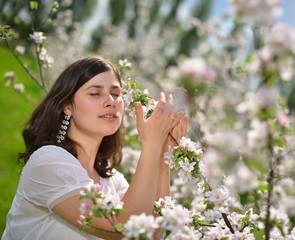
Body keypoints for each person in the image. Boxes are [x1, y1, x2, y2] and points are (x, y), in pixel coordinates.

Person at [2, 56, 187, 240]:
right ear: (67, 106)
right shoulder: (48, 162)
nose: (111, 101)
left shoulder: (113, 181)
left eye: (115, 93)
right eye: (95, 93)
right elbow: (124, 225)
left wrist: (164, 156)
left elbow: (150, 234)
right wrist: (151, 143)